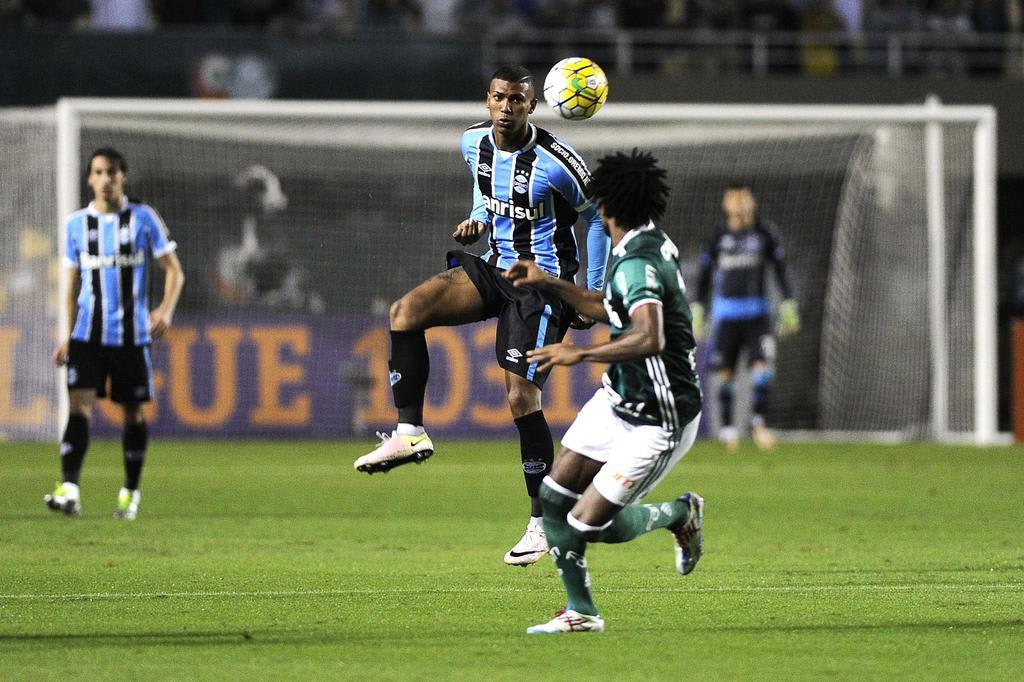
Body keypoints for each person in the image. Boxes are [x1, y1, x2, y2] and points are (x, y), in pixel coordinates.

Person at [353, 64, 609, 567]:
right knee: (405, 312)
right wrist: (479, 219)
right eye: (498, 99)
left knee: (519, 395)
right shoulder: (472, 143)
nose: (507, 108)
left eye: (517, 100)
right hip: (493, 268)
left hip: (540, 284)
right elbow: (485, 190)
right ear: (487, 100)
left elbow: (599, 215)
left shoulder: (559, 161)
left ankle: (544, 521)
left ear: (532, 105)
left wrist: (591, 292)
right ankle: (410, 433)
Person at [504, 148, 704, 634]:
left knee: (584, 524)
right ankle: (582, 613)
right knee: (553, 497)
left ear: (606, 205)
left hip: (660, 415)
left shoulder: (637, 262)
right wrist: (549, 282)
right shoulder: (638, 241)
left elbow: (648, 335)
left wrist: (581, 355)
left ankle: (680, 513)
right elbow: (602, 307)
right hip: (619, 397)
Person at [45, 147, 184, 520]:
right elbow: (71, 286)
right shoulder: (76, 225)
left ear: (124, 176)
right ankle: (70, 488)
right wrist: (68, 336)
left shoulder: (142, 219)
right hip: (88, 336)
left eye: (112, 172)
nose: (106, 179)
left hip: (131, 336)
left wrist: (166, 310)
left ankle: (130, 493)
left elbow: (174, 270)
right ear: (89, 179)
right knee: (79, 407)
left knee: (133, 413)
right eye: (99, 172)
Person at [690, 184, 799, 452]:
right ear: (726, 203)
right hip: (726, 316)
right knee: (725, 374)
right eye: (734, 197)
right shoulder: (717, 237)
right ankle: (728, 432)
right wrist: (698, 309)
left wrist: (788, 303)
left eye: (744, 196)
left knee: (763, 369)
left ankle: (758, 424)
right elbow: (703, 277)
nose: (739, 202)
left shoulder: (764, 233)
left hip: (757, 315)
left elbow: (780, 270)